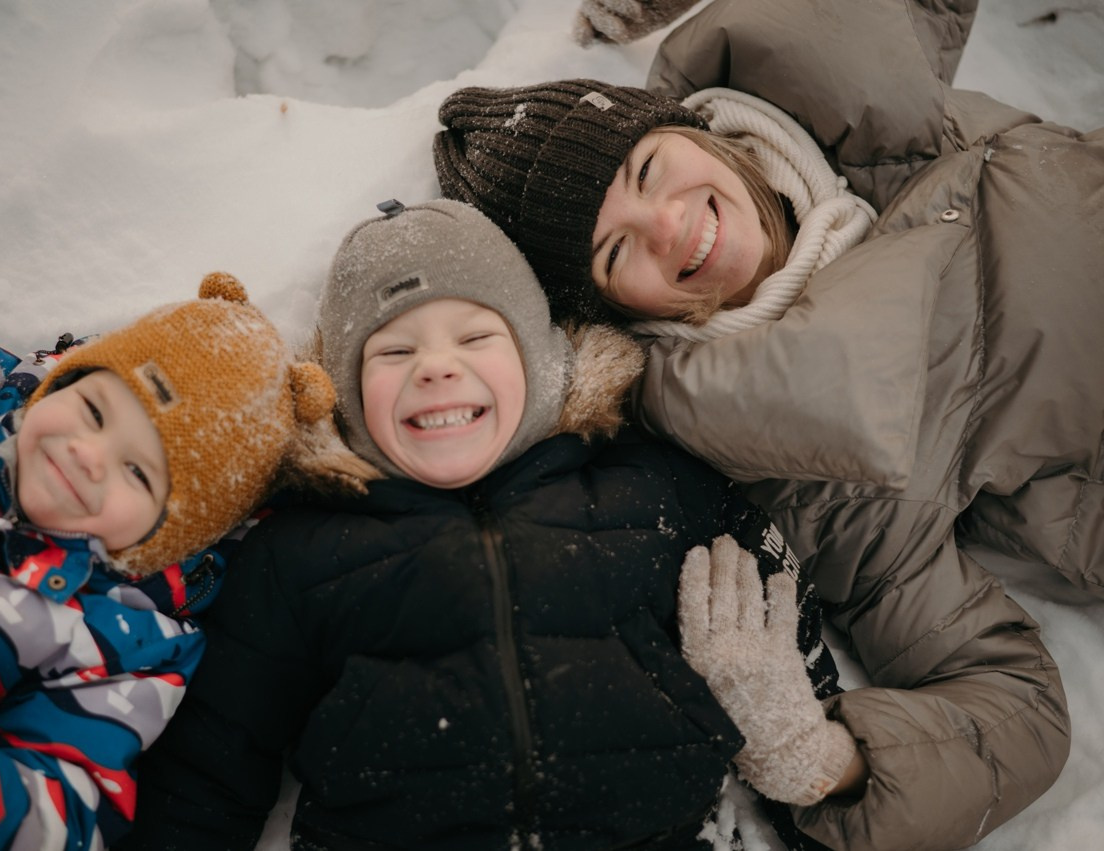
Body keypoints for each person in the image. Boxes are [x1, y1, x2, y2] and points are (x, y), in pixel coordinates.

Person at [432, 0, 1100, 848]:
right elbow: (1016, 709)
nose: (671, 224)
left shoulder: (859, 108)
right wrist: (818, 755)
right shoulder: (816, 464)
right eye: (616, 252)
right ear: (612, 311)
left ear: (688, 130)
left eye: (646, 170)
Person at [120, 199, 849, 850]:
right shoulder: (301, 551)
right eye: (394, 350)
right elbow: (211, 763)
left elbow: (777, 604)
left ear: (539, 358)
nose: (436, 367)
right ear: (342, 389)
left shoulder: (646, 486)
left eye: (474, 338)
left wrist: (799, 737)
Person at [0, 272, 366, 849]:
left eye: (138, 471)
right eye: (95, 411)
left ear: (174, 533)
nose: (88, 455)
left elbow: (56, 812)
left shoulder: (127, 642)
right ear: (67, 378)